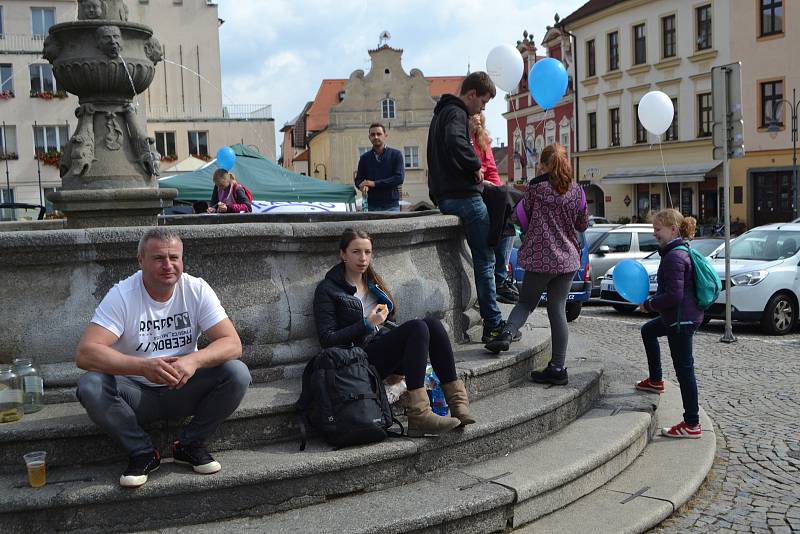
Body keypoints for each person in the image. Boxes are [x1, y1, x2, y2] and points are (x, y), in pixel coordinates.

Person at [74, 228, 251, 488]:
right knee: (90, 385)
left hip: (182, 389)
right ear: (140, 261)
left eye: (174, 258)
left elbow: (232, 343)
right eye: (158, 258)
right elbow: (85, 352)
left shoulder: (196, 289)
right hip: (136, 395)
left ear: (182, 260)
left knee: (237, 373)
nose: (168, 265)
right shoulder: (122, 295)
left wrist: (192, 361)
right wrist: (143, 367)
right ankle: (143, 452)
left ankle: (189, 445)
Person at [313, 229, 473, 436]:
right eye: (356, 252)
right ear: (343, 254)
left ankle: (458, 404)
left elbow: (390, 323)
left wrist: (388, 327)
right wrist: (367, 324)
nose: (363, 258)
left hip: (380, 351)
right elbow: (327, 340)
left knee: (432, 325)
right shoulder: (328, 289)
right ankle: (419, 414)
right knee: (417, 327)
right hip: (356, 360)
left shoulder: (374, 283)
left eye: (368, 252)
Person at [485, 144, 588, 387]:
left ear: (544, 164)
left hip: (541, 258)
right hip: (568, 260)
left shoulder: (536, 189)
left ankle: (507, 334)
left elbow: (518, 217)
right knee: (558, 310)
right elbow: (582, 225)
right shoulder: (578, 191)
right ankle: (558, 367)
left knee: (525, 302)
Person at [427, 71, 504, 343]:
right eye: (482, 102)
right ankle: (493, 325)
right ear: (471, 94)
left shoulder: (440, 114)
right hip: (465, 198)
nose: (482, 109)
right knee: (485, 261)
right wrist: (475, 166)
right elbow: (455, 142)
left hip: (445, 196)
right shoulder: (456, 113)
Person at [634, 209, 703, 439]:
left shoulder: (674, 256)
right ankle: (655, 380)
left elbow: (673, 296)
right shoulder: (677, 251)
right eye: (654, 229)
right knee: (648, 331)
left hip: (681, 320)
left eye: (658, 229)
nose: (655, 234)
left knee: (685, 372)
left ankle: (692, 423)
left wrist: (651, 304)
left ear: (673, 229)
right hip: (678, 316)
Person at [469, 112, 518, 305]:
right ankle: (499, 277)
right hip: (472, 186)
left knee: (507, 205)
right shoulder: (462, 136)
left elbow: (491, 168)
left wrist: (499, 189)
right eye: (474, 115)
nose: (477, 119)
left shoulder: (483, 140)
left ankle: (501, 275)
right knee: (504, 201)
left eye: (480, 116)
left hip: (488, 184)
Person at [354, 123, 405, 212]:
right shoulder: (364, 158)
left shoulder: (396, 155)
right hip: (371, 206)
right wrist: (361, 186)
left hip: (391, 206)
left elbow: (399, 178)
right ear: (369, 137)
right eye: (372, 135)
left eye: (379, 134)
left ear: (385, 136)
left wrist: (374, 183)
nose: (376, 137)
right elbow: (358, 179)